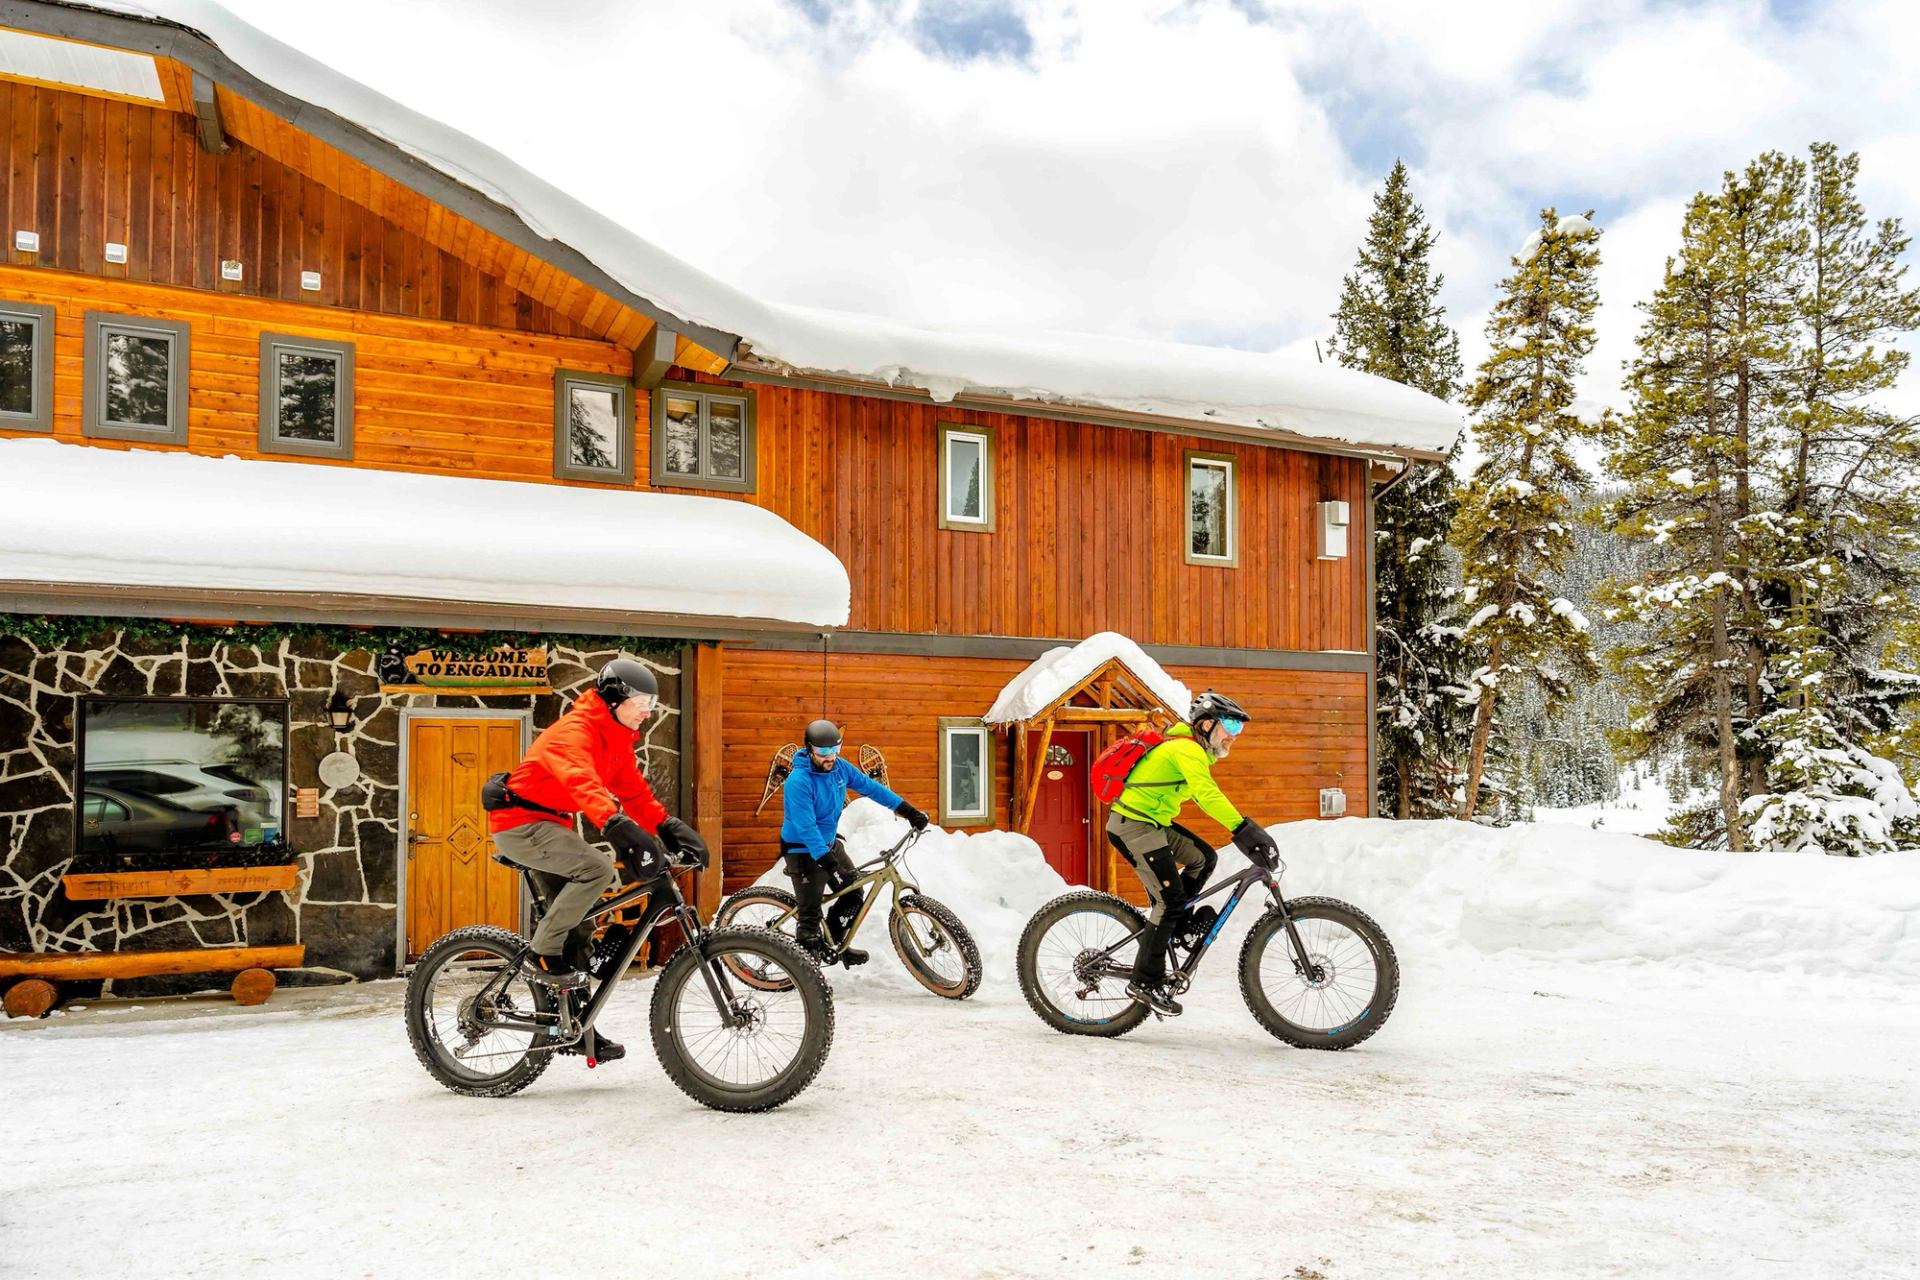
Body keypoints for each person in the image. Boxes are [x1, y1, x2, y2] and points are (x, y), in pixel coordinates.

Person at [487, 657, 708, 1060]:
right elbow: (581, 781)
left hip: (550, 825)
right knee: (597, 869)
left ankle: (576, 1029)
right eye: (641, 702)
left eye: (652, 704)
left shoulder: (615, 739)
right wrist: (615, 825)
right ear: (614, 700)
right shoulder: (575, 730)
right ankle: (541, 952)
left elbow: (634, 792)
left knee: (578, 930)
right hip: (520, 825)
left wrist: (668, 826)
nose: (647, 711)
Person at [1106, 689, 1276, 1016]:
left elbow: (1201, 795)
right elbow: (1207, 795)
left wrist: (1243, 829)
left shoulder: (1189, 750)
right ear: (1207, 724)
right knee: (1168, 902)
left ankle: (1177, 925)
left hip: (1152, 823)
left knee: (1203, 858)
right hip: (1133, 826)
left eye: (1239, 728)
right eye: (1231, 726)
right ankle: (1144, 982)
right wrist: (1245, 830)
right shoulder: (1186, 749)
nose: (1234, 736)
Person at [780, 718, 929, 965]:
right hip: (803, 850)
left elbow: (872, 788)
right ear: (810, 750)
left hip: (828, 845)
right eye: (823, 752)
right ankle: (803, 971)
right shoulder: (799, 781)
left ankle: (835, 943)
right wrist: (825, 859)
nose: (830, 757)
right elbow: (805, 826)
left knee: (853, 892)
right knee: (810, 918)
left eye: (835, 750)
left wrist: (908, 810)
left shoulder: (840, 768)